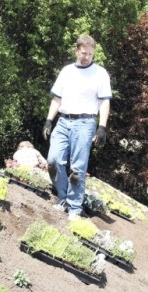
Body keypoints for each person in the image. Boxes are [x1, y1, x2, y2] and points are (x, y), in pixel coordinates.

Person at [42, 34, 112, 220]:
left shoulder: (100, 73)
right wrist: (49, 120)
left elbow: (104, 101)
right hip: (64, 121)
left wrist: (102, 127)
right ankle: (62, 197)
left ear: (93, 53)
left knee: (78, 168)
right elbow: (57, 98)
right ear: (76, 50)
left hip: (85, 123)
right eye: (83, 53)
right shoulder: (67, 71)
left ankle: (73, 207)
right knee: (53, 160)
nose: (86, 57)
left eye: (90, 54)